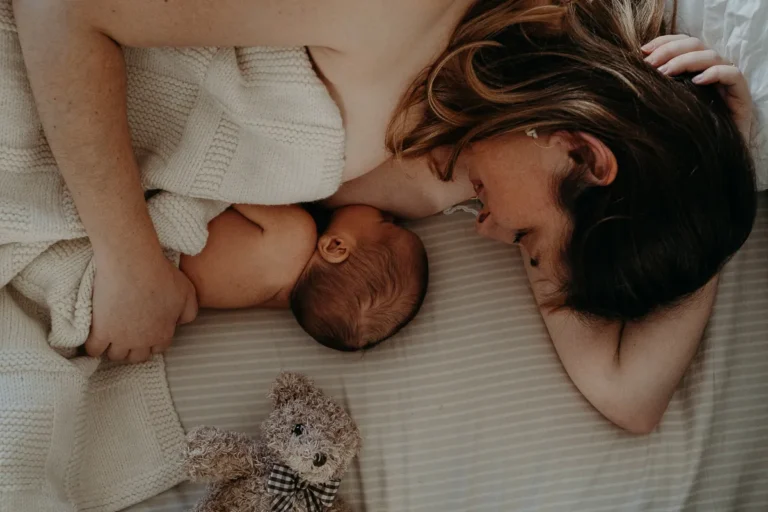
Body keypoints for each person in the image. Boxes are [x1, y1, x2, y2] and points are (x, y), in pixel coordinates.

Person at [10, 0, 757, 433]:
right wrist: (128, 256)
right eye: (527, 239)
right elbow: (62, 8)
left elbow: (627, 394)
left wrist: (723, 172)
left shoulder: (500, 156)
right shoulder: (402, 13)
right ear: (585, 156)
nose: (486, 234)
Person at [179, 203, 428, 352]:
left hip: (171, 230)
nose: (393, 215)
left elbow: (229, 184)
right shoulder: (284, 300)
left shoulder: (296, 234)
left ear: (336, 247)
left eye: (386, 223)